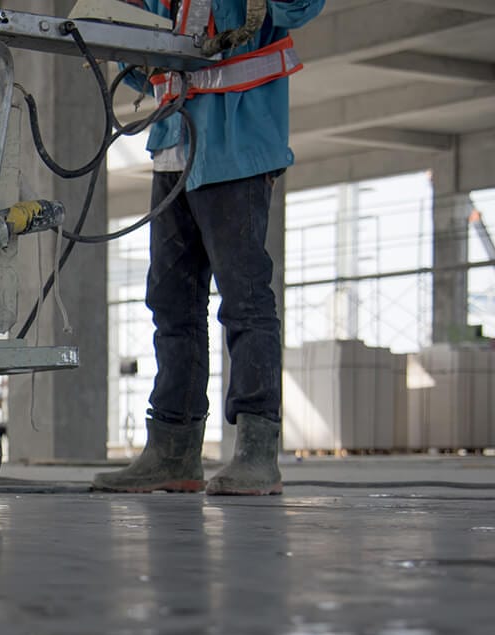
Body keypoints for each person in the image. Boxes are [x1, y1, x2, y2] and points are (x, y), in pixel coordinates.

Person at [94, 0, 324, 496]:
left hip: (236, 146)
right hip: (173, 147)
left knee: (245, 299)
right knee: (171, 304)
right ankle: (173, 450)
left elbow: (299, 8)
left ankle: (257, 451)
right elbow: (145, 68)